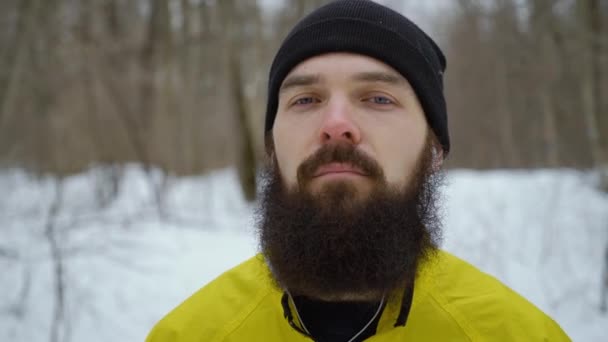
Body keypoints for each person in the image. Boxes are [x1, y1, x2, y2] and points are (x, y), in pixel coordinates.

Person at [146, 1, 570, 341]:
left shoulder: (516, 335)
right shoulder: (188, 335)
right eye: (305, 100)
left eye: (378, 98)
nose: (335, 125)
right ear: (273, 150)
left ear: (435, 149)